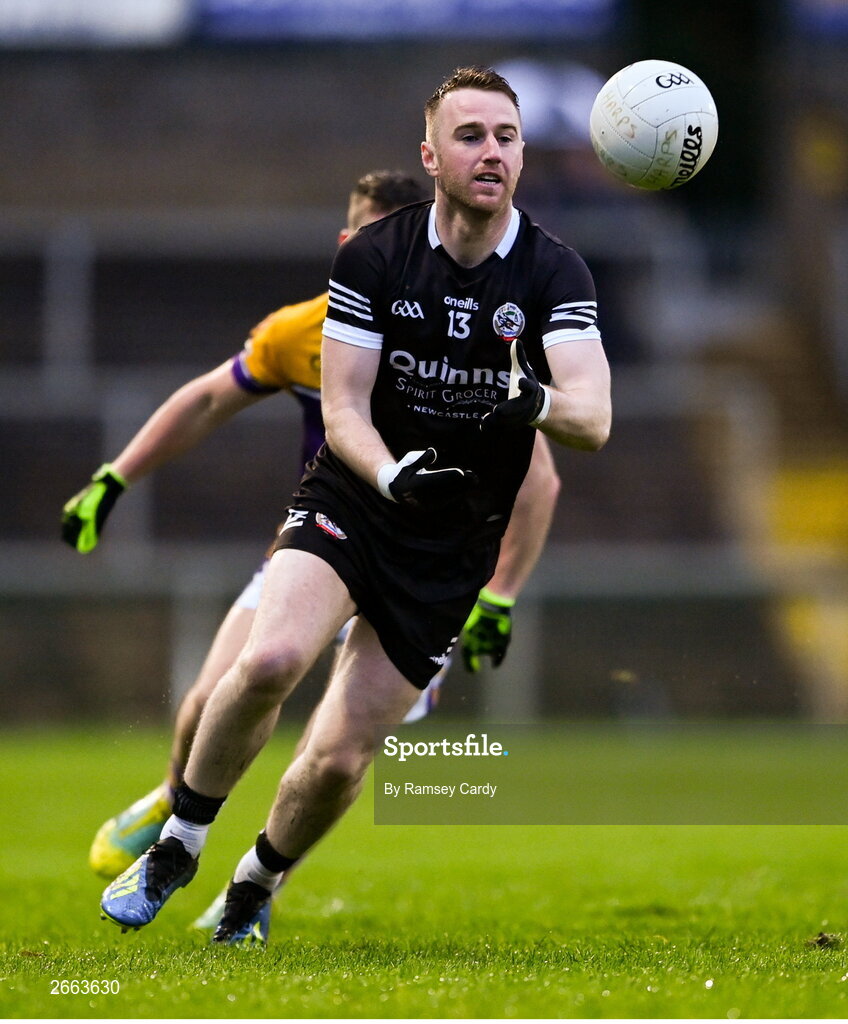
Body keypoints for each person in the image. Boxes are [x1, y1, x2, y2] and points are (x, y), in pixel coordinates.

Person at [98, 65, 610, 947]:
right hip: (356, 496)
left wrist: (534, 403)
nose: (492, 152)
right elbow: (341, 409)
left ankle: (255, 884)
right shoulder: (372, 256)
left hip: (451, 547)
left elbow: (592, 421)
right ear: (432, 155)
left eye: (508, 137)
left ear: (523, 156)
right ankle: (178, 841)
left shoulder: (555, 273)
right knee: (267, 663)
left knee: (337, 761)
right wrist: (389, 475)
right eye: (471, 135)